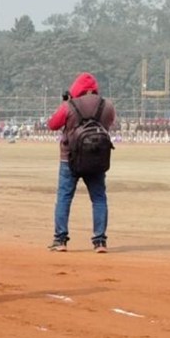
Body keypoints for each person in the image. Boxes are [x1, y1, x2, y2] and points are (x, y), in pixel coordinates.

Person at [46, 72, 116, 253]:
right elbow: (109, 123)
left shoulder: (69, 105)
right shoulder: (107, 105)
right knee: (99, 199)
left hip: (69, 158)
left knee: (64, 198)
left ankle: (60, 239)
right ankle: (100, 241)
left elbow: (52, 124)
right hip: (97, 159)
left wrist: (65, 104)